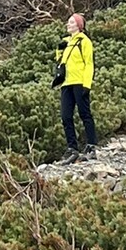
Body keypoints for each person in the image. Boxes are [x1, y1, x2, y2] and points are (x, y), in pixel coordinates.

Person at [55, 12, 97, 163]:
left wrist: (87, 84)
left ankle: (91, 147)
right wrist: (60, 50)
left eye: (71, 22)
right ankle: (72, 149)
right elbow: (61, 62)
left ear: (79, 26)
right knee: (66, 117)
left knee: (85, 114)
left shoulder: (85, 41)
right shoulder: (67, 42)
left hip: (80, 82)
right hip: (67, 83)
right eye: (68, 22)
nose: (68, 24)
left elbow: (89, 63)